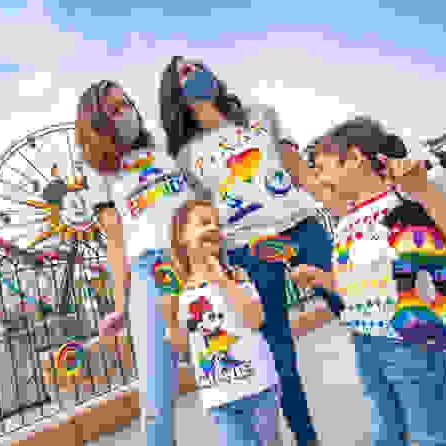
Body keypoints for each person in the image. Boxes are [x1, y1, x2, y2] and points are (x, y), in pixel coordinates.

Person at [159, 56, 344, 446]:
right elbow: (198, 214)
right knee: (280, 354)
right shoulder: (184, 156)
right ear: (175, 92)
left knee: (354, 301)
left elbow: (300, 172)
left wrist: (345, 205)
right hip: (248, 248)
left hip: (303, 228)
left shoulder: (261, 115)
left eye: (199, 66)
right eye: (185, 73)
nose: (197, 73)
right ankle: (307, 440)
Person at [302, 117, 446, 445]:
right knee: (387, 430)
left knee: (432, 431)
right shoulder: (346, 221)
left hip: (410, 339)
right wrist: (320, 279)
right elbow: (358, 286)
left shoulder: (405, 203)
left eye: (322, 167)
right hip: (365, 339)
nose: (319, 178)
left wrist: (423, 189)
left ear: (356, 158)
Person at [76, 79, 194, 446]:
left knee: (230, 367)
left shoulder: (163, 142)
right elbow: (116, 241)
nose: (125, 111)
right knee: (157, 389)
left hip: (197, 256)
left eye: (126, 102)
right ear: (96, 123)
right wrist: (119, 303)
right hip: (151, 270)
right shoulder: (100, 172)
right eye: (113, 109)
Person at [163, 200, 335, 446]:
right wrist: (170, 320)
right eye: (203, 223)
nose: (213, 228)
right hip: (219, 400)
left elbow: (255, 318)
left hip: (258, 391)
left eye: (216, 224)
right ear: (181, 237)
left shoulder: (236, 275)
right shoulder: (179, 293)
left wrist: (222, 281)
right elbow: (184, 350)